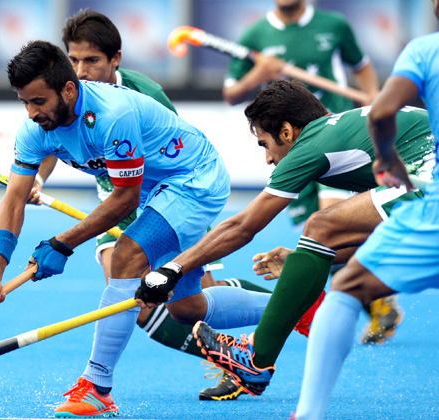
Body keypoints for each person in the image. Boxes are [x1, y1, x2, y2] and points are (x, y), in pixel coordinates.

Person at [0, 40, 276, 418]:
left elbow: (123, 200)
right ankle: (295, 306)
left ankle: (96, 388)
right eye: (24, 102)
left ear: (69, 89)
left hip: (193, 179)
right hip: (155, 193)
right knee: (186, 308)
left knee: (126, 257)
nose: (31, 113)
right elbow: (12, 201)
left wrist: (62, 243)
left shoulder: (112, 115)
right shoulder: (34, 131)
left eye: (38, 101)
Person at [26, 8, 271, 402]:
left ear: (115, 59)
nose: (80, 70)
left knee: (172, 290)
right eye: (73, 60)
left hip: (171, 190)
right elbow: (57, 134)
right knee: (160, 301)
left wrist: (63, 242)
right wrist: (37, 177)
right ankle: (260, 335)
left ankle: (96, 387)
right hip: (118, 198)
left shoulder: (140, 96)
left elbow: (177, 159)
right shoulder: (61, 98)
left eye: (91, 60)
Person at [137, 79, 435, 396]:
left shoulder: (313, 143)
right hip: (424, 182)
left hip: (430, 182)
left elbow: (243, 227)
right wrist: (311, 257)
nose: (267, 159)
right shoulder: (349, 138)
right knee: (323, 233)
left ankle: (256, 358)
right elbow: (377, 233)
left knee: (320, 225)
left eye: (265, 144)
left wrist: (173, 269)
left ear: (287, 132)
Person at [222, 0, 403, 348]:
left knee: (329, 225)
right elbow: (232, 93)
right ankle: (367, 296)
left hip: (337, 148)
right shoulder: (255, 34)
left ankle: (357, 302)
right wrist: (260, 73)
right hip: (290, 147)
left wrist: (373, 102)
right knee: (322, 235)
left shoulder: (334, 25)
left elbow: (361, 67)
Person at [292, 3, 439, 417]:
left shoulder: (425, 50)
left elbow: (383, 111)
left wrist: (388, 158)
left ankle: (308, 414)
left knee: (346, 289)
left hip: (434, 211)